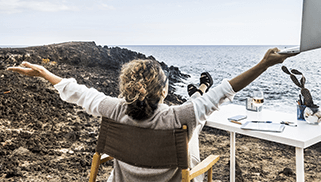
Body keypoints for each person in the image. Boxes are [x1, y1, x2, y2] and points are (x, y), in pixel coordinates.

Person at [7, 47, 293, 182]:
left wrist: (43, 72)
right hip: (180, 145)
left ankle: (198, 93)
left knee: (196, 115)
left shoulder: (112, 109)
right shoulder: (176, 117)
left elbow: (77, 91)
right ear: (164, 91)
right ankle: (198, 93)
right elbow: (226, 89)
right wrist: (264, 64)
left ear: (124, 89)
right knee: (197, 119)